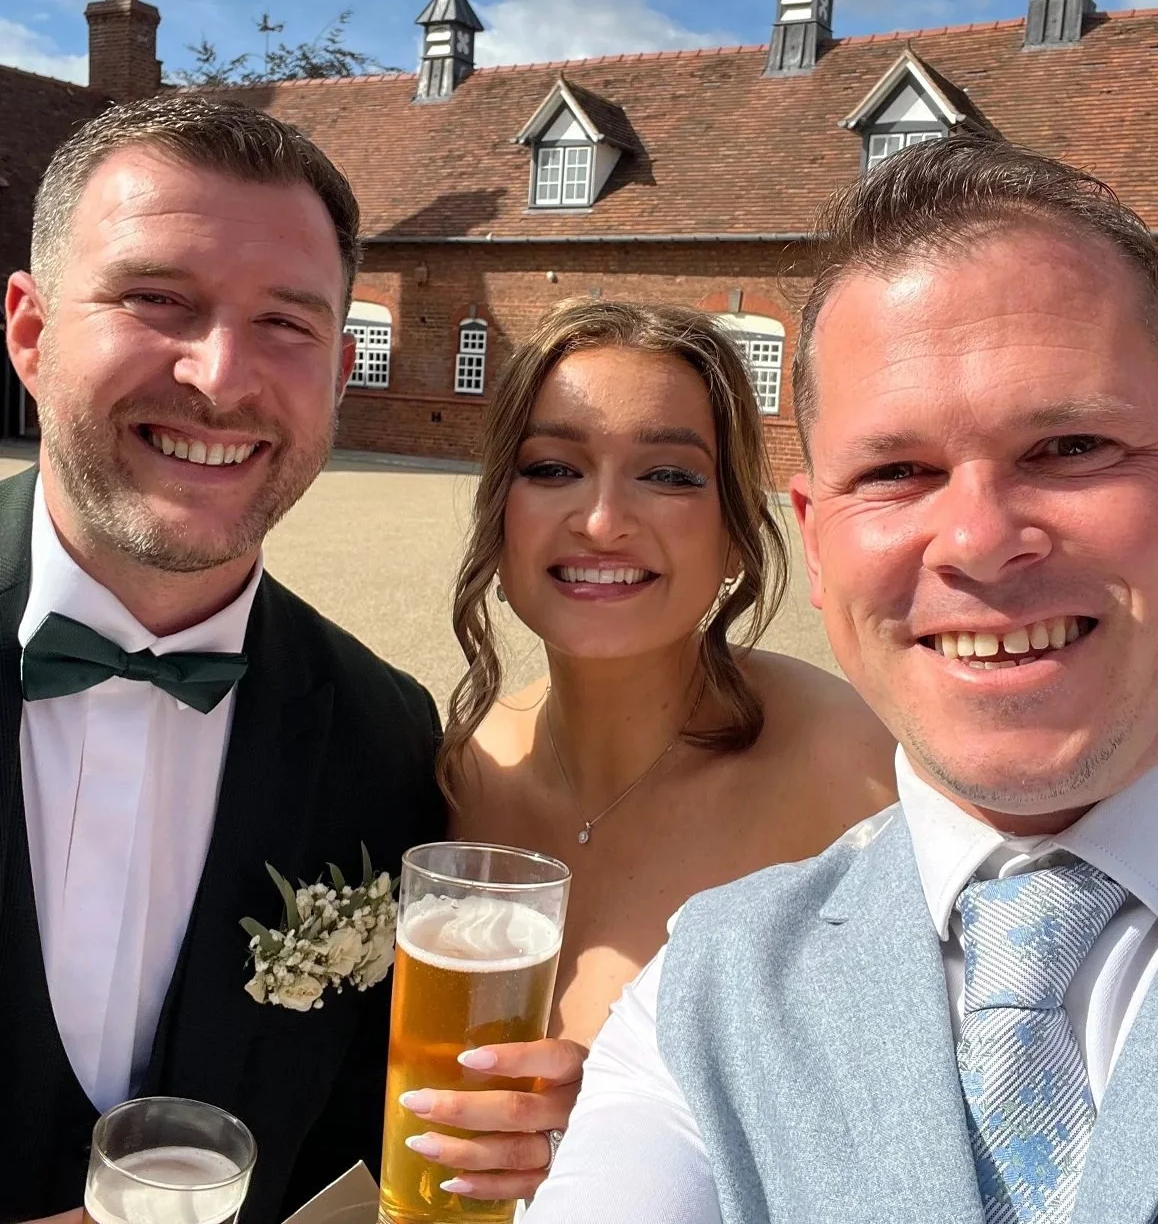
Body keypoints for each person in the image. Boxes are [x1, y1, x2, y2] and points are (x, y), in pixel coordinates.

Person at [520, 134, 1158, 1223]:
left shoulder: (821, 754)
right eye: (896, 471)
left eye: (1071, 447)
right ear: (814, 542)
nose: (977, 537)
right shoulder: (704, 996)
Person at [0, 96, 444, 1224]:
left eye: (287, 324)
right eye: (158, 300)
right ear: (32, 330)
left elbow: (348, 1144)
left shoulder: (387, 737)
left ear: (341, 369)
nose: (220, 376)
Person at [391, 298, 897, 1204]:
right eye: (552, 467)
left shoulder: (850, 768)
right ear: (499, 523)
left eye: (668, 474)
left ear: (738, 533)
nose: (600, 520)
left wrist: (644, 1137)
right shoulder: (465, 768)